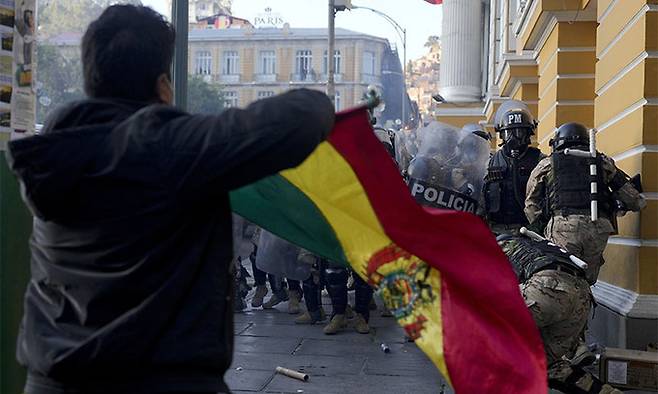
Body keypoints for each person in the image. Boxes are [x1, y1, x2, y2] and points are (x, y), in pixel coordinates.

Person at [6, 5, 335, 394]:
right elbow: (307, 114)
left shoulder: (56, 151)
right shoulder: (172, 147)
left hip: (53, 381)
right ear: (163, 84)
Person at [525, 122, 646, 285]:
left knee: (562, 276)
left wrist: (540, 229)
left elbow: (531, 203)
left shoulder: (547, 163)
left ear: (559, 142)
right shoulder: (602, 161)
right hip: (598, 227)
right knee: (586, 280)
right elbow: (636, 202)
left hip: (563, 226)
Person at [498, 235, 621, 394]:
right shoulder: (535, 244)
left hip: (547, 287)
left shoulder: (493, 248)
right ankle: (606, 392)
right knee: (545, 363)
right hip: (582, 297)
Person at [483, 100, 544, 235]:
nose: (513, 138)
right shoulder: (491, 161)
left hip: (529, 230)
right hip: (497, 229)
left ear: (528, 134)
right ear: (501, 135)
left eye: (519, 132)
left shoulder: (540, 160)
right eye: (509, 133)